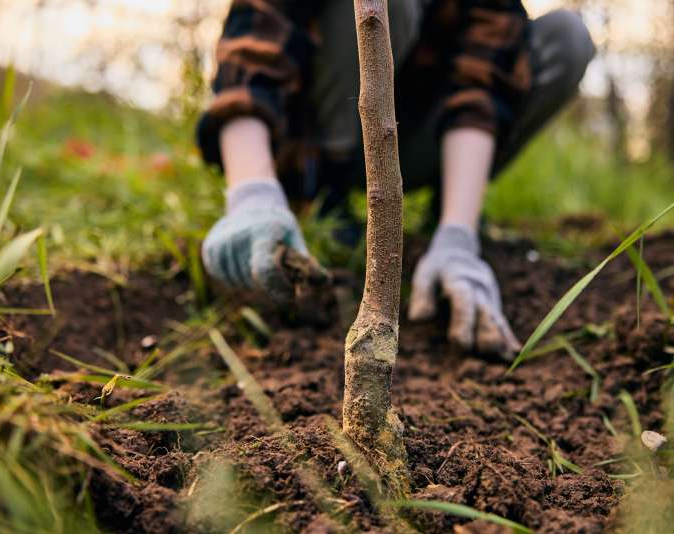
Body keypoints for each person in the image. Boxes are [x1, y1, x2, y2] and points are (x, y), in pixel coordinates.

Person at [197, 0, 594, 359]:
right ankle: (324, 197)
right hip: (318, 127)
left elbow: (480, 85)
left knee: (567, 36)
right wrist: (252, 192)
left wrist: (458, 235)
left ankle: (450, 213)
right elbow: (252, 46)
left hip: (415, 133)